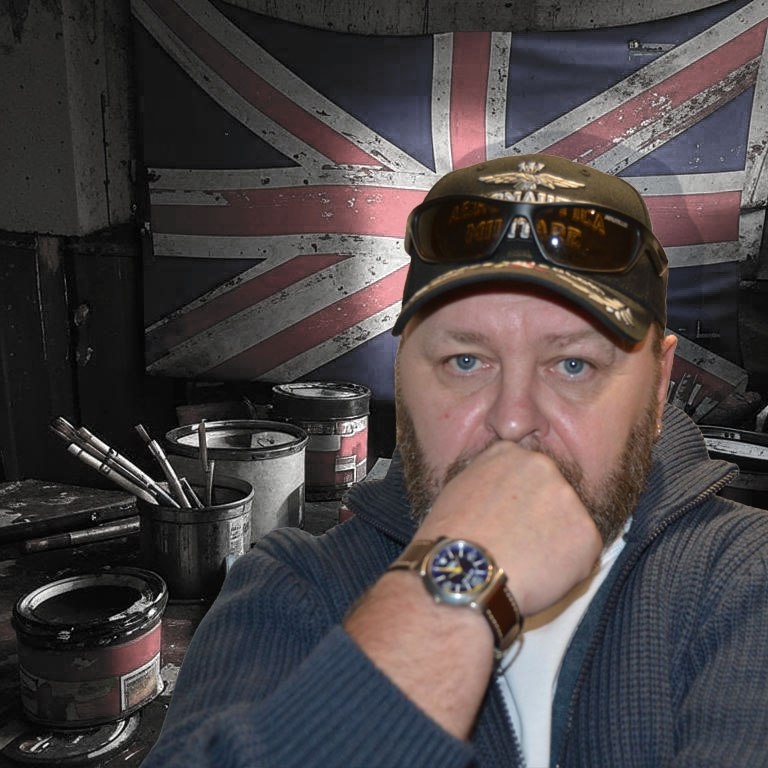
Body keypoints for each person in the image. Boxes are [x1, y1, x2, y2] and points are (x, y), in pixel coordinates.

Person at [141, 154, 768, 768]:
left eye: (574, 364)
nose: (513, 420)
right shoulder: (291, 588)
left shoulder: (747, 580)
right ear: (403, 379)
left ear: (657, 389)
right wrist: (453, 585)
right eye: (465, 361)